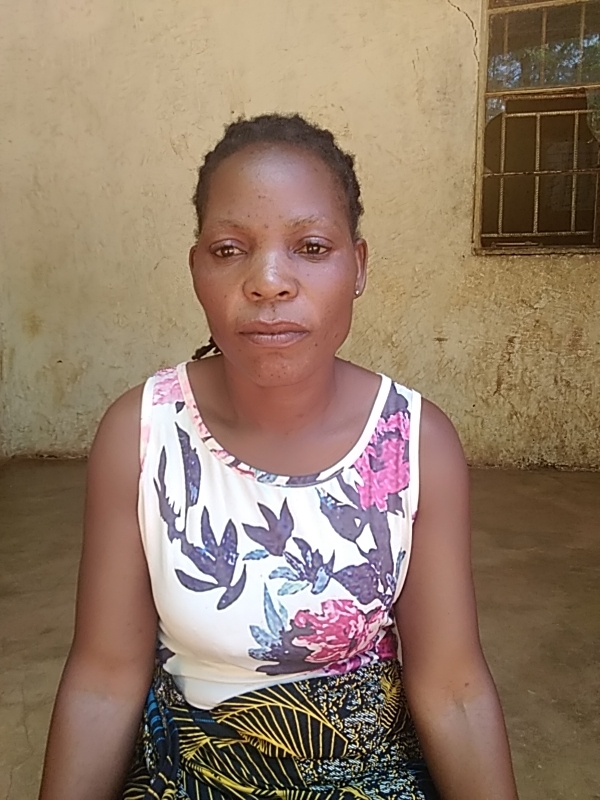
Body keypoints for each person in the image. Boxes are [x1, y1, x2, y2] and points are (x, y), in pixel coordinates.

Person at [39, 114, 519, 800]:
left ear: (358, 266)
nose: (268, 282)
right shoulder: (141, 435)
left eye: (311, 247)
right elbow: (103, 678)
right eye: (230, 249)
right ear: (197, 269)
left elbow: (453, 688)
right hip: (194, 777)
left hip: (368, 777)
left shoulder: (415, 443)